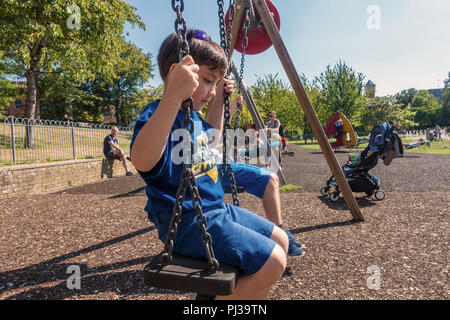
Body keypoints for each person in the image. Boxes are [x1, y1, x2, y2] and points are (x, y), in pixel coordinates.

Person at [130, 29, 288, 300]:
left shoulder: (195, 119)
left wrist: (219, 100)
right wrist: (172, 97)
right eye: (207, 80)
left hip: (216, 209)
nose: (212, 89)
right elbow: (142, 161)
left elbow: (212, 141)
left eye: (215, 82)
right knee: (273, 262)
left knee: (281, 241)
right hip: (187, 222)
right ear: (176, 73)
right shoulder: (160, 113)